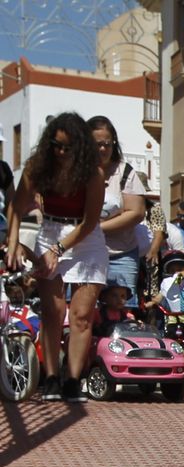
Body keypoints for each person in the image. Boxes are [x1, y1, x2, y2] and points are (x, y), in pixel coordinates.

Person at [4, 111, 107, 402]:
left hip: (85, 238)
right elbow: (17, 206)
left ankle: (73, 379)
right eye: (56, 146)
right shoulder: (38, 166)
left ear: (80, 147)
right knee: (52, 311)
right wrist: (12, 241)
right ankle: (50, 378)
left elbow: (90, 222)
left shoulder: (92, 173)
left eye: (67, 147)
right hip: (50, 228)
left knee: (82, 315)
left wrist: (58, 250)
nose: (61, 152)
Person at [87, 117, 148, 304]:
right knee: (84, 314)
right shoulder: (76, 172)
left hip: (121, 255)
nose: (103, 149)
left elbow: (136, 212)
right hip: (85, 255)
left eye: (108, 144)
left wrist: (96, 228)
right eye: (98, 144)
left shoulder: (125, 172)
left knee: (123, 313)